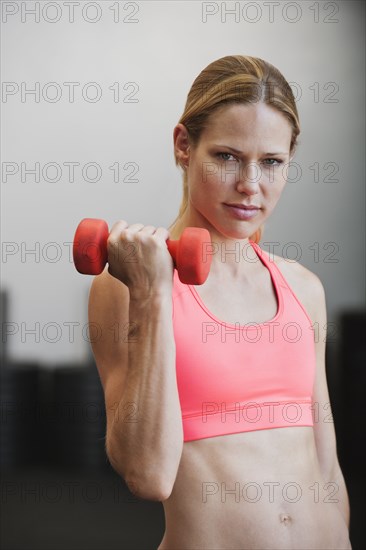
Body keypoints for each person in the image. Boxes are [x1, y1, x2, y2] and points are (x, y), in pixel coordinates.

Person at [88, 55, 352, 549]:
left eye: (271, 162)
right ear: (184, 146)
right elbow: (147, 474)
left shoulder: (303, 288)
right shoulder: (126, 286)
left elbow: (327, 465)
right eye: (228, 156)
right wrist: (152, 294)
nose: (251, 184)